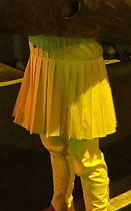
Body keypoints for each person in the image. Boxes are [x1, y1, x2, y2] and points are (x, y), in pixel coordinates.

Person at [13, 35, 116, 211]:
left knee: (84, 156)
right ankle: (60, 204)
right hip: (42, 57)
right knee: (55, 146)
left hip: (78, 60)